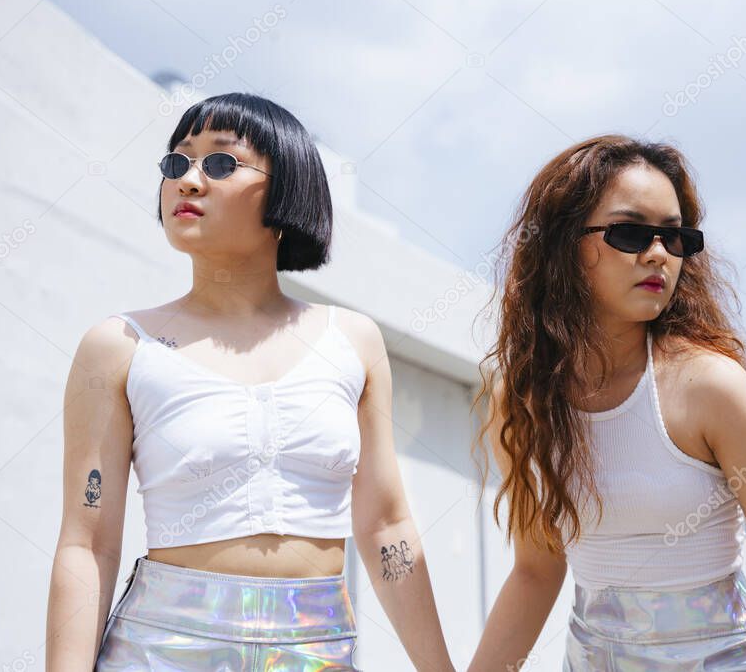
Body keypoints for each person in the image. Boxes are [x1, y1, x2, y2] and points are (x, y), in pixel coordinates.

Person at [45, 92, 455, 671]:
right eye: (176, 162)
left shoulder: (353, 341)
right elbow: (87, 542)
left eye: (219, 162)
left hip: (315, 649)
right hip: (162, 647)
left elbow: (387, 524)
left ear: (287, 188)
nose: (188, 180)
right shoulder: (119, 346)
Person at [467, 135, 746, 671]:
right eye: (631, 232)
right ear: (563, 244)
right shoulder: (522, 401)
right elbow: (535, 571)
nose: (659, 252)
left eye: (674, 235)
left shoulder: (712, 388)